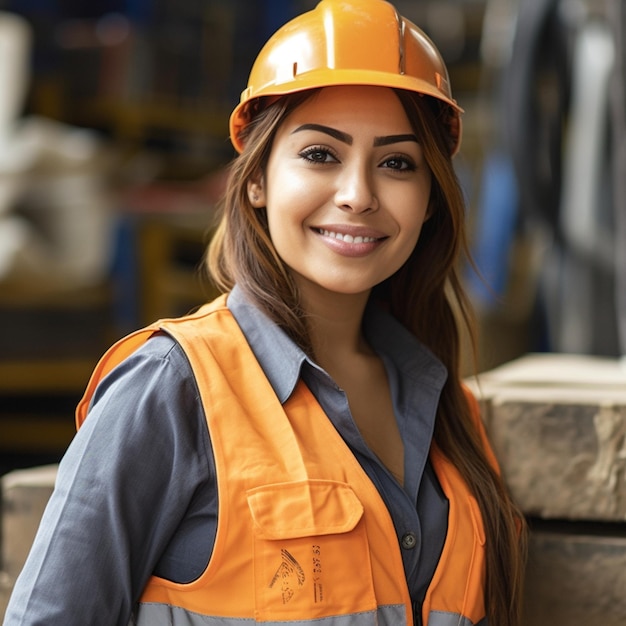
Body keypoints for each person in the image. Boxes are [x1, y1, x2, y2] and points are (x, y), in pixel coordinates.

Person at [3, 1, 527, 625]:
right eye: (319, 155)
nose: (358, 194)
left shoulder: (449, 413)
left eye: (396, 163)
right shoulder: (174, 388)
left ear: (430, 199)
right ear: (255, 181)